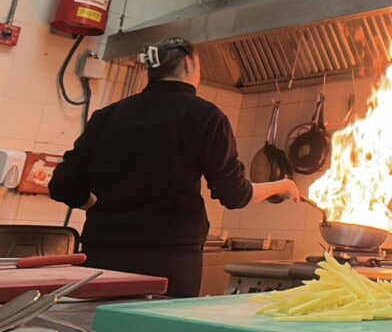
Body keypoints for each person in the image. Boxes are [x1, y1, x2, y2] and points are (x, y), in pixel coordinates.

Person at [49, 37, 300, 297]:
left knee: (98, 319)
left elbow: (62, 186)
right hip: (167, 263)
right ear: (189, 63)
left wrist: (100, 208)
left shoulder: (107, 116)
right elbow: (235, 194)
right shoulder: (205, 116)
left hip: (101, 258)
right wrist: (281, 186)